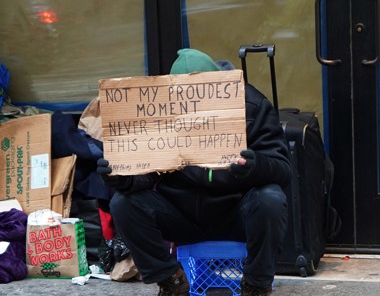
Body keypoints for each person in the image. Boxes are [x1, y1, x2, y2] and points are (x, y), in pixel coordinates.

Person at [97, 48, 291, 296]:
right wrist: (120, 177)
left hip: (237, 213)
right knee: (123, 203)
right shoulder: (159, 109)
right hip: (181, 216)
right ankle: (171, 281)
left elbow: (282, 169)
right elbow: (145, 177)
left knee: (271, 198)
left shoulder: (251, 105)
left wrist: (256, 167)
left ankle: (256, 285)